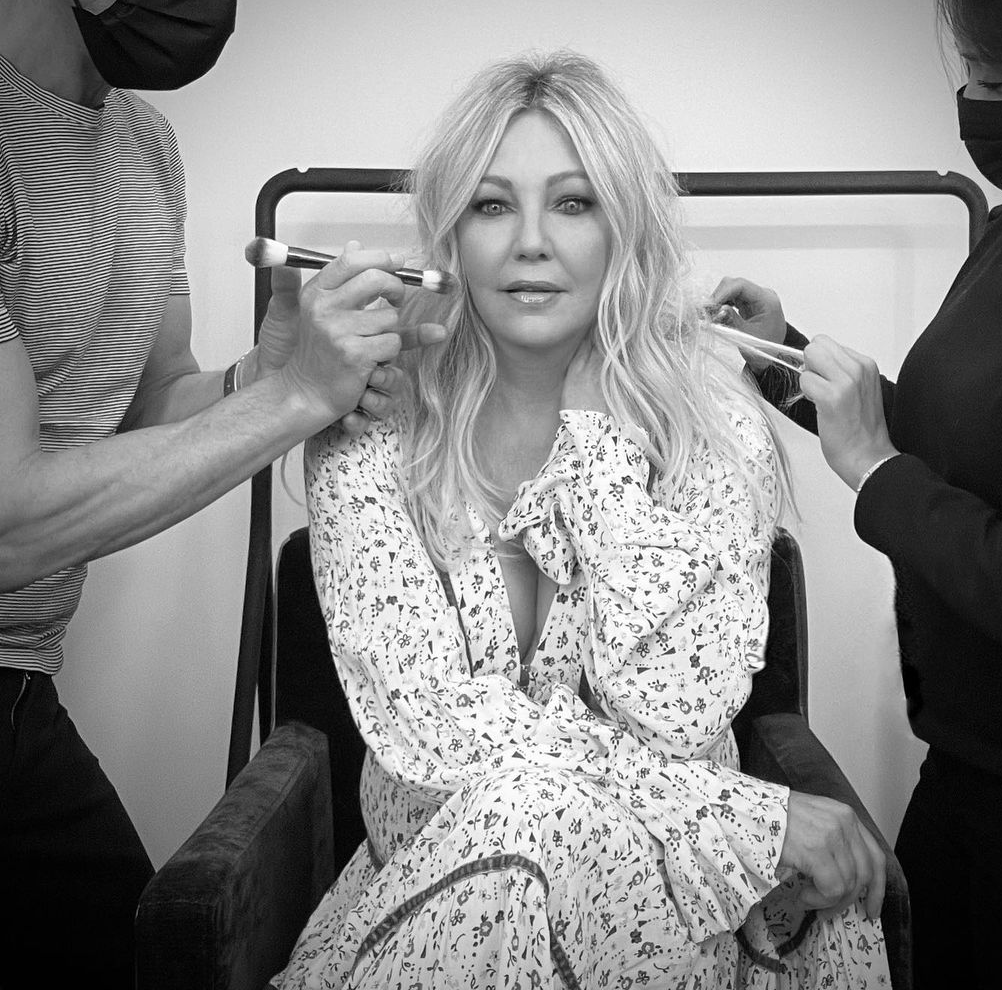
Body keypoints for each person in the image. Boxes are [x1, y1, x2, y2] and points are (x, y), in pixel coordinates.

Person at [272, 51, 892, 990]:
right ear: (449, 237)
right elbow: (429, 732)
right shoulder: (370, 421)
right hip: (443, 908)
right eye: (492, 205)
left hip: (666, 908)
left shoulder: (716, 433)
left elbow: (677, 716)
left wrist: (599, 440)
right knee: (520, 813)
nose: (531, 242)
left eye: (572, 202)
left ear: (623, 227)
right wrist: (744, 819)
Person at [0, 0, 444, 986]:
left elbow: (152, 407)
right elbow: (6, 525)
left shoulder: (145, 147)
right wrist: (295, 398)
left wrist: (263, 373)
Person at [710, 0, 1002, 986]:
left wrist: (874, 472)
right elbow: (964, 448)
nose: (974, 101)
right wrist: (783, 356)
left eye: (998, 76)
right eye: (971, 70)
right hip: (967, 768)